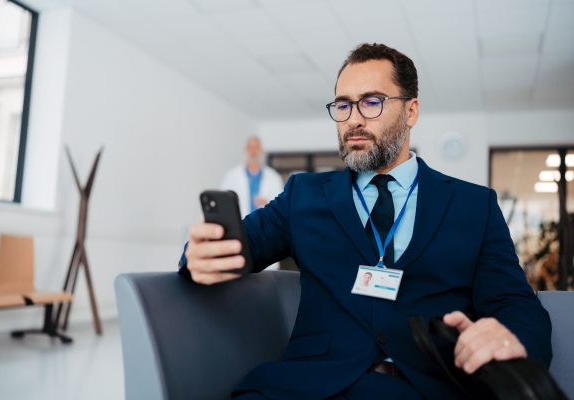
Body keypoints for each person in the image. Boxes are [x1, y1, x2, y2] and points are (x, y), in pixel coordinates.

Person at [179, 43, 551, 399]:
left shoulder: (474, 204)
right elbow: (237, 245)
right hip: (315, 385)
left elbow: (514, 303)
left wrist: (513, 338)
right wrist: (198, 254)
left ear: (411, 111)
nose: (353, 119)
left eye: (372, 102)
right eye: (343, 105)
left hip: (433, 385)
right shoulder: (302, 195)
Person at [220, 137, 284, 219]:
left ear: (262, 151)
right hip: (239, 224)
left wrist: (269, 204)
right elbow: (222, 202)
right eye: (250, 147)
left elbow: (281, 206)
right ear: (245, 151)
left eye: (256, 147)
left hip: (265, 225)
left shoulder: (274, 177)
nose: (253, 151)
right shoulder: (232, 176)